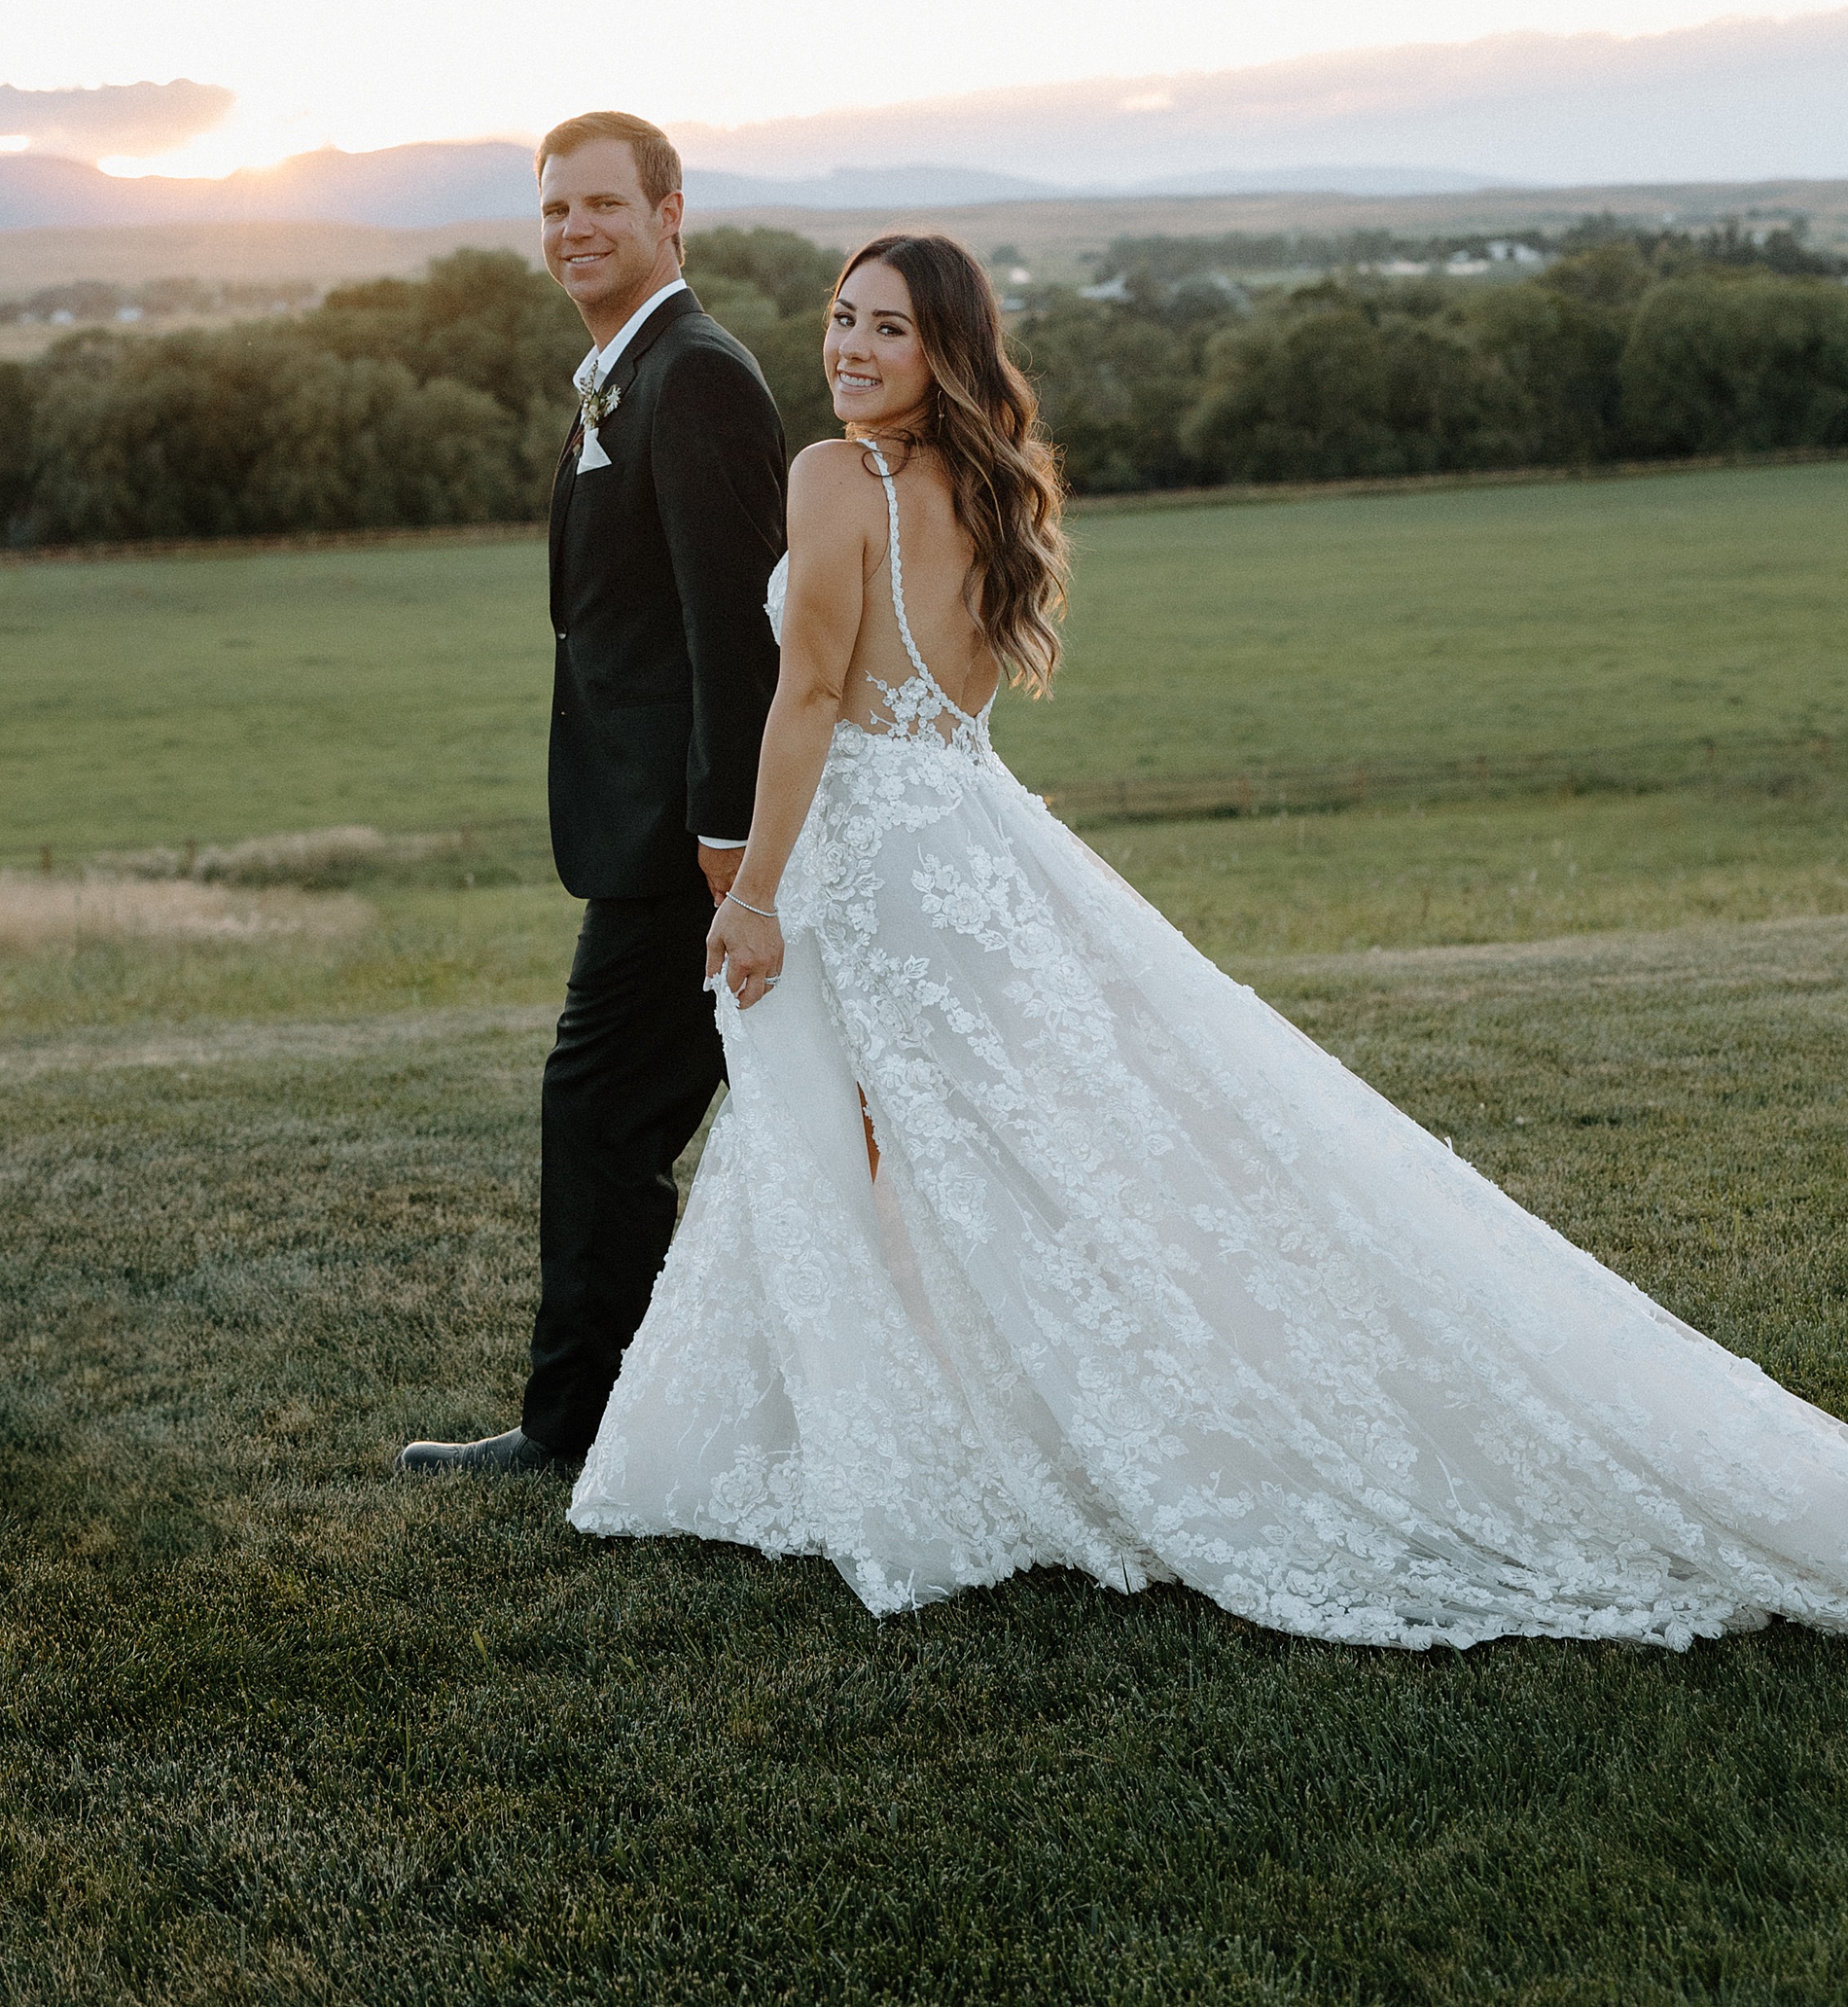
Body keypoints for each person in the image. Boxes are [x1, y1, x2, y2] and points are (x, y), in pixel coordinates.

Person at [567, 230, 1848, 1646]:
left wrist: (752, 892)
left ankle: (946, 1443)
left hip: (878, 860)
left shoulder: (832, 475)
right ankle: (964, 1415)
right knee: (992, 1149)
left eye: (886, 328)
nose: (849, 349)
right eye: (839, 318)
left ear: (942, 348)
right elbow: (951, 703)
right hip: (977, 844)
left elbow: (808, 694)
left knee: (883, 1143)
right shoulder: (993, 487)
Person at [400, 112, 785, 1481]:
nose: (573, 231)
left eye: (602, 206)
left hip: (690, 846)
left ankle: (579, 1424)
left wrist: (728, 844)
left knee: (600, 1111)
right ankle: (635, 1407)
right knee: (633, 1114)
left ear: (672, 213)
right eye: (554, 209)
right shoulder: (622, 376)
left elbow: (739, 632)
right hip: (647, 826)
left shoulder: (695, 378)